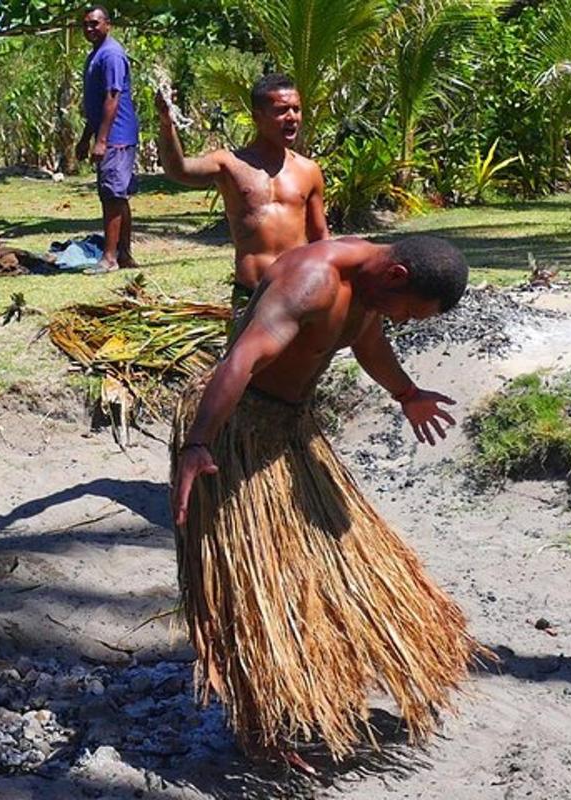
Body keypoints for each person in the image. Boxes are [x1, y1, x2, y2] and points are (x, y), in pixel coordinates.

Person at [170, 235, 481, 771]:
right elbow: (241, 361)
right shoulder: (311, 281)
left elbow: (367, 340)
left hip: (292, 427)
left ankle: (335, 677)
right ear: (397, 276)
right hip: (233, 434)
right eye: (409, 313)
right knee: (255, 585)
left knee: (346, 558)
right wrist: (198, 444)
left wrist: (407, 394)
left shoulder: (370, 288)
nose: (404, 323)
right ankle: (260, 725)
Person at [156, 73, 330, 321]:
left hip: (299, 292)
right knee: (243, 360)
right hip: (252, 294)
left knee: (304, 360)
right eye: (281, 111)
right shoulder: (230, 164)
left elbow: (319, 237)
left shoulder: (309, 170)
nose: (291, 117)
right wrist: (166, 124)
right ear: (257, 117)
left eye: (296, 109)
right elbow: (179, 170)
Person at [77, 5, 139, 274]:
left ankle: (110, 257)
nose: (90, 29)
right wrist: (85, 139)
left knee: (112, 195)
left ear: (108, 25)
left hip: (117, 136)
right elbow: (96, 105)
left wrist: (101, 141)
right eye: (86, 25)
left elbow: (112, 99)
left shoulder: (111, 54)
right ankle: (124, 254)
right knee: (116, 195)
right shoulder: (96, 55)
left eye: (95, 24)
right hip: (108, 134)